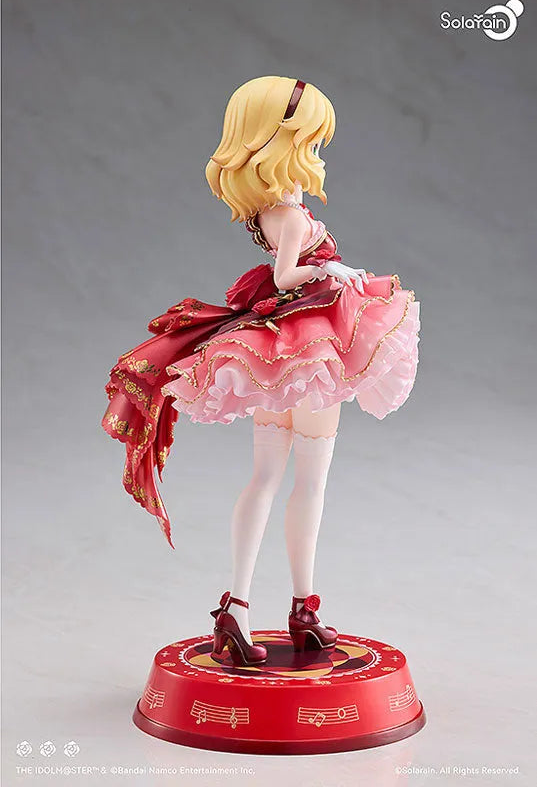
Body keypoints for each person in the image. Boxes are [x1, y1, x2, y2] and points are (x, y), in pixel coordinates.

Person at [102, 76, 420, 666]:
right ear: (282, 137)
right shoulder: (290, 214)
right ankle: (301, 610)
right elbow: (283, 278)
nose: (315, 149)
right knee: (310, 480)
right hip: (310, 348)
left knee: (266, 477)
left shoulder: (268, 207)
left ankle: (238, 610)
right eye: (310, 138)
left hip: (281, 347)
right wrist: (334, 271)